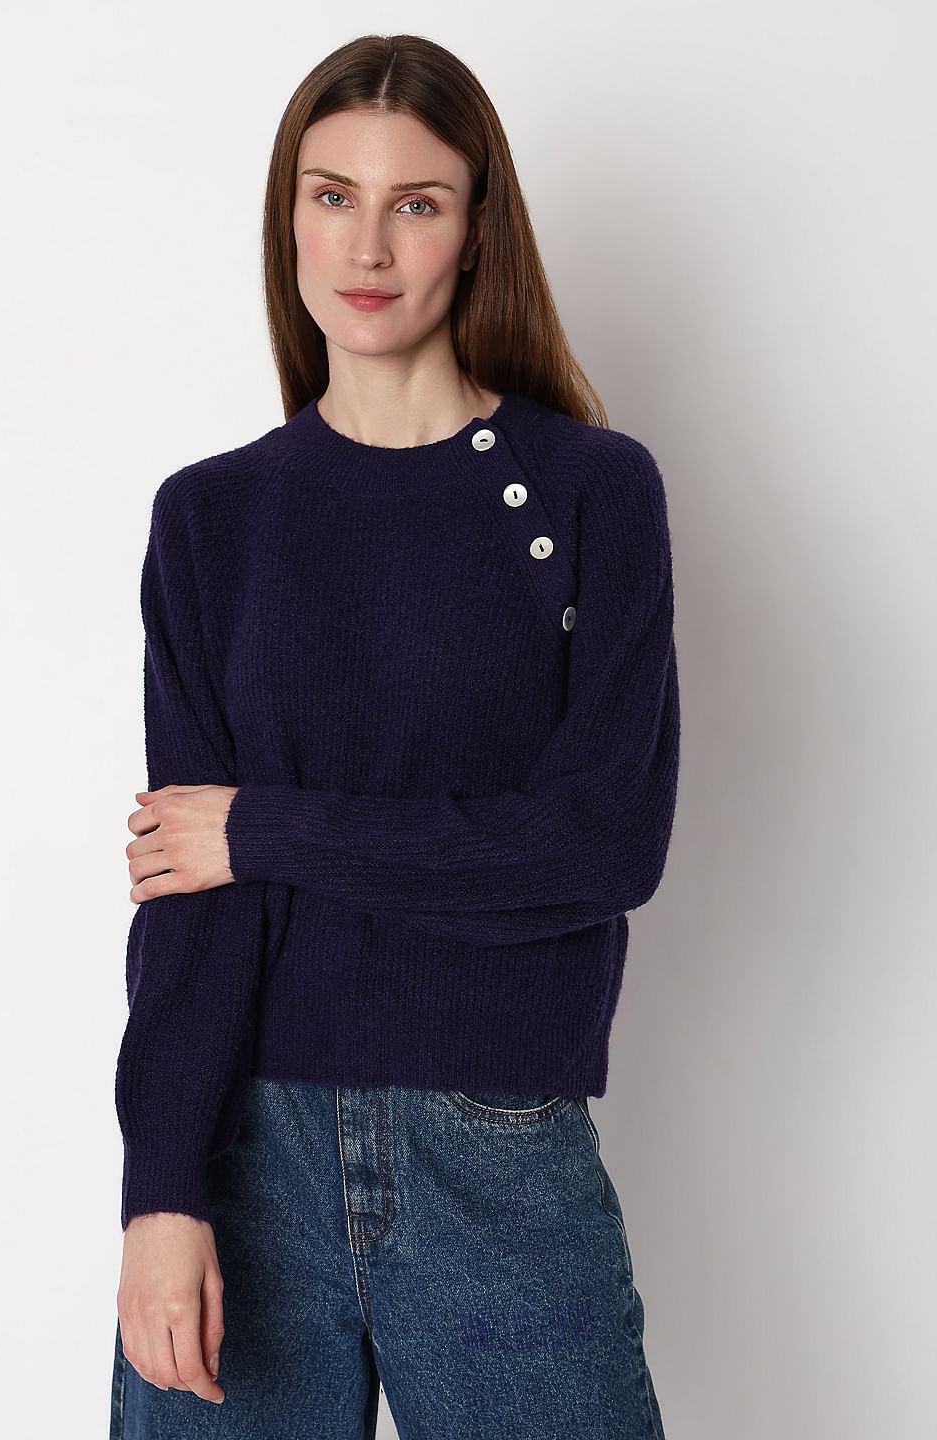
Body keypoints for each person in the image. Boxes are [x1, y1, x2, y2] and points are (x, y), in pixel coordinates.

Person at [110, 31, 680, 1440]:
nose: (367, 247)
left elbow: (600, 847)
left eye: (416, 202)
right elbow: (188, 892)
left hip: (500, 1145)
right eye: (332, 196)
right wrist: (161, 1190)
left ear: (478, 230)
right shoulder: (212, 519)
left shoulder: (593, 492)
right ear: (288, 220)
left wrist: (265, 828)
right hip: (246, 1147)